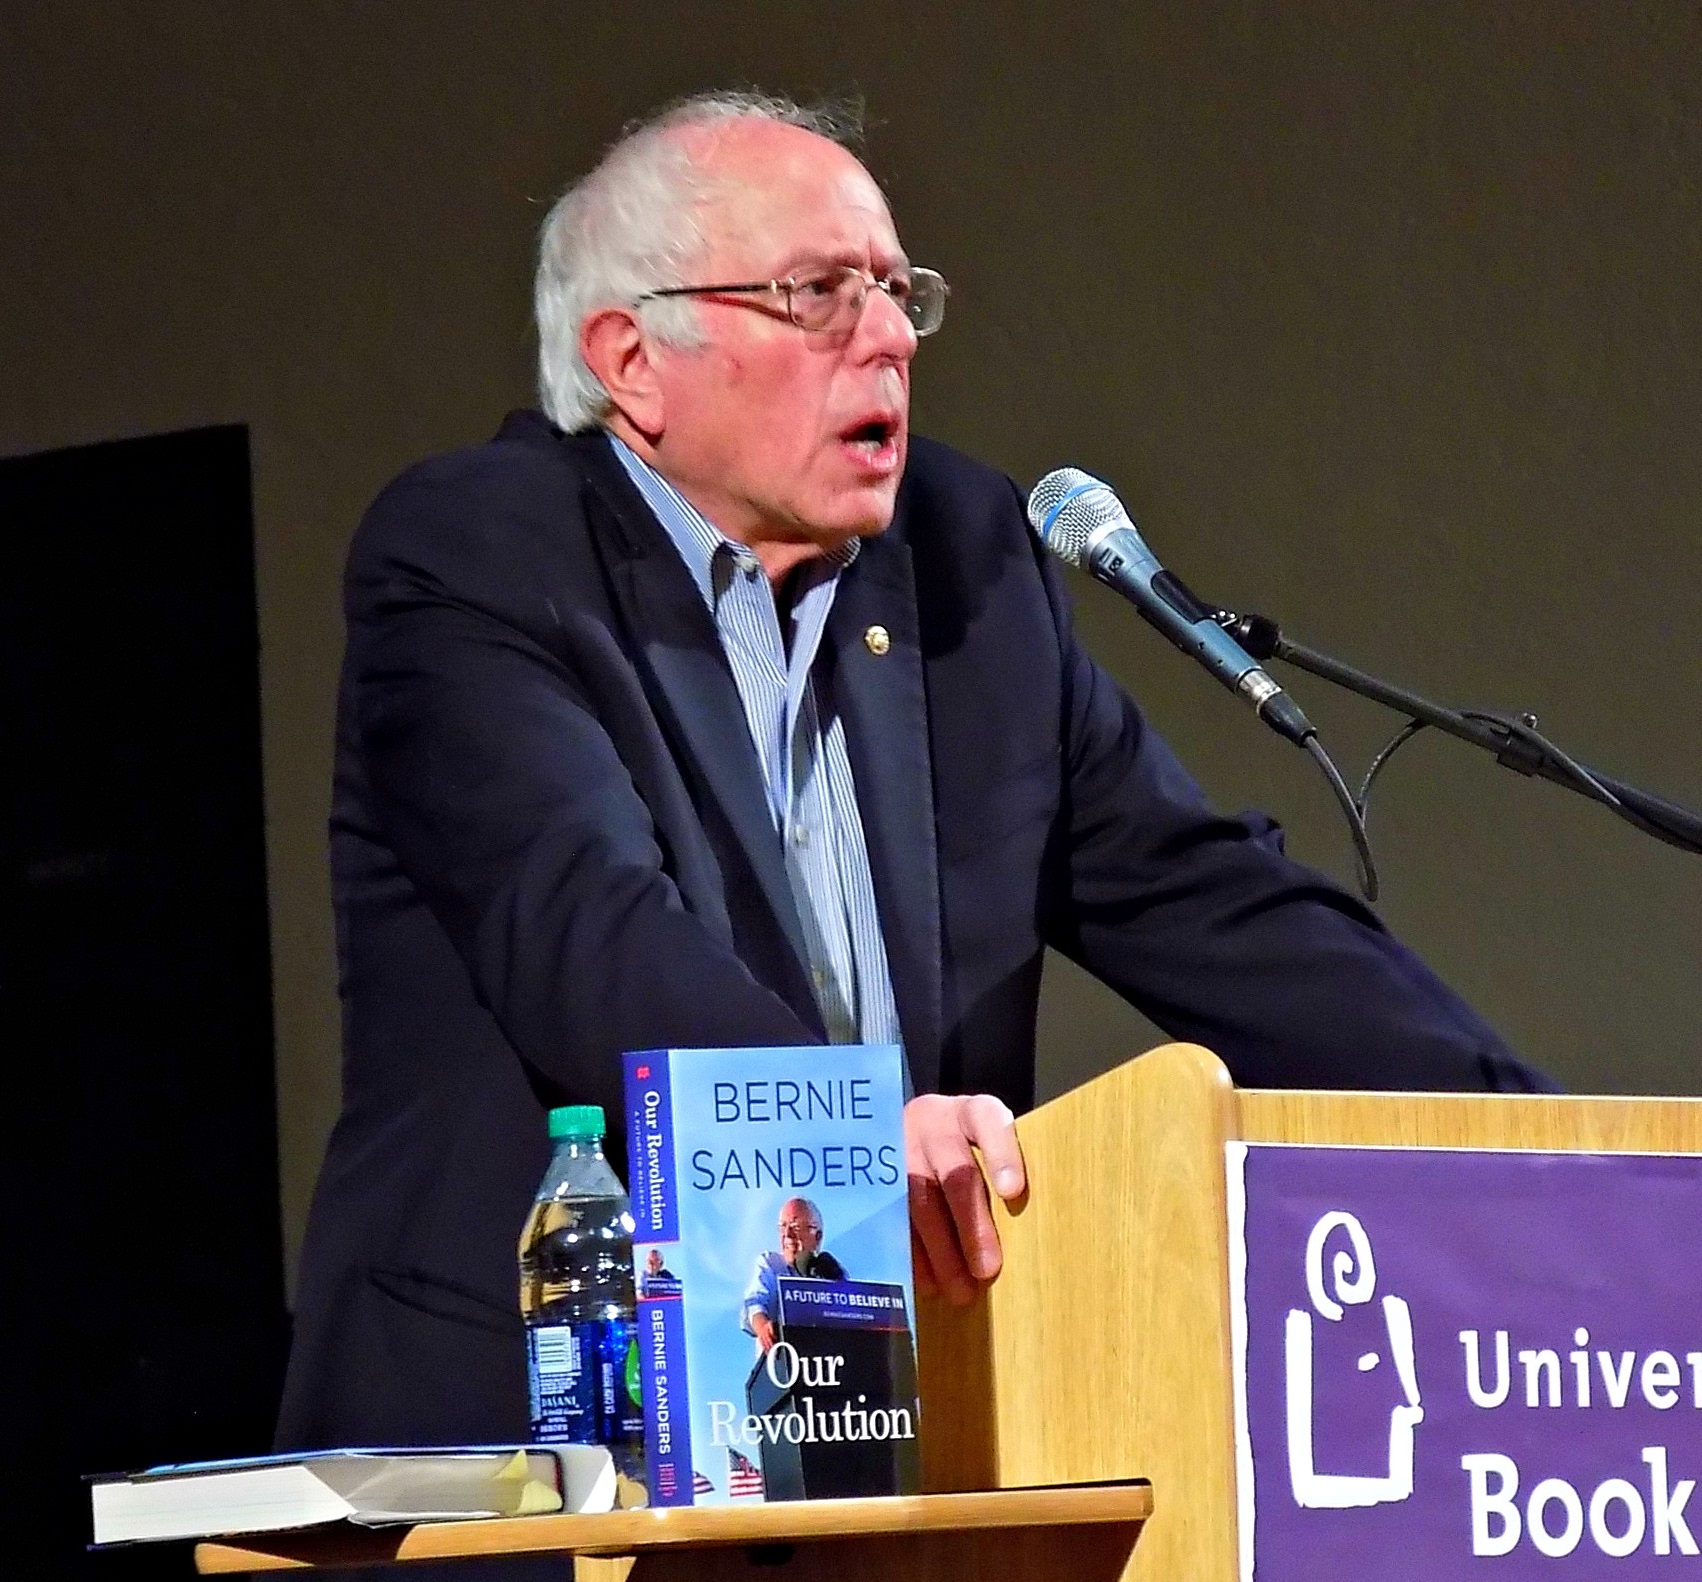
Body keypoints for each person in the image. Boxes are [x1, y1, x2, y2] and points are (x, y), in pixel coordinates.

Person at [276, 90, 1549, 1453]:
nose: (886, 336)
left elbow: (1208, 900)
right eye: (817, 293)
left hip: (890, 1412)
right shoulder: (478, 554)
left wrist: (1548, 1155)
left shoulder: (962, 560)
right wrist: (852, 1135)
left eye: (896, 291)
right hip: (540, 1426)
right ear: (631, 361)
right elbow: (584, 925)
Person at [742, 1198, 847, 1353]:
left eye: (795, 1227)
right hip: (781, 1362)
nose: (787, 1234)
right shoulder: (770, 1264)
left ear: (817, 1236)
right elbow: (754, 1302)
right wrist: (763, 1326)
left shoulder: (829, 1271)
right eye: (782, 1226)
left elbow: (852, 1314)